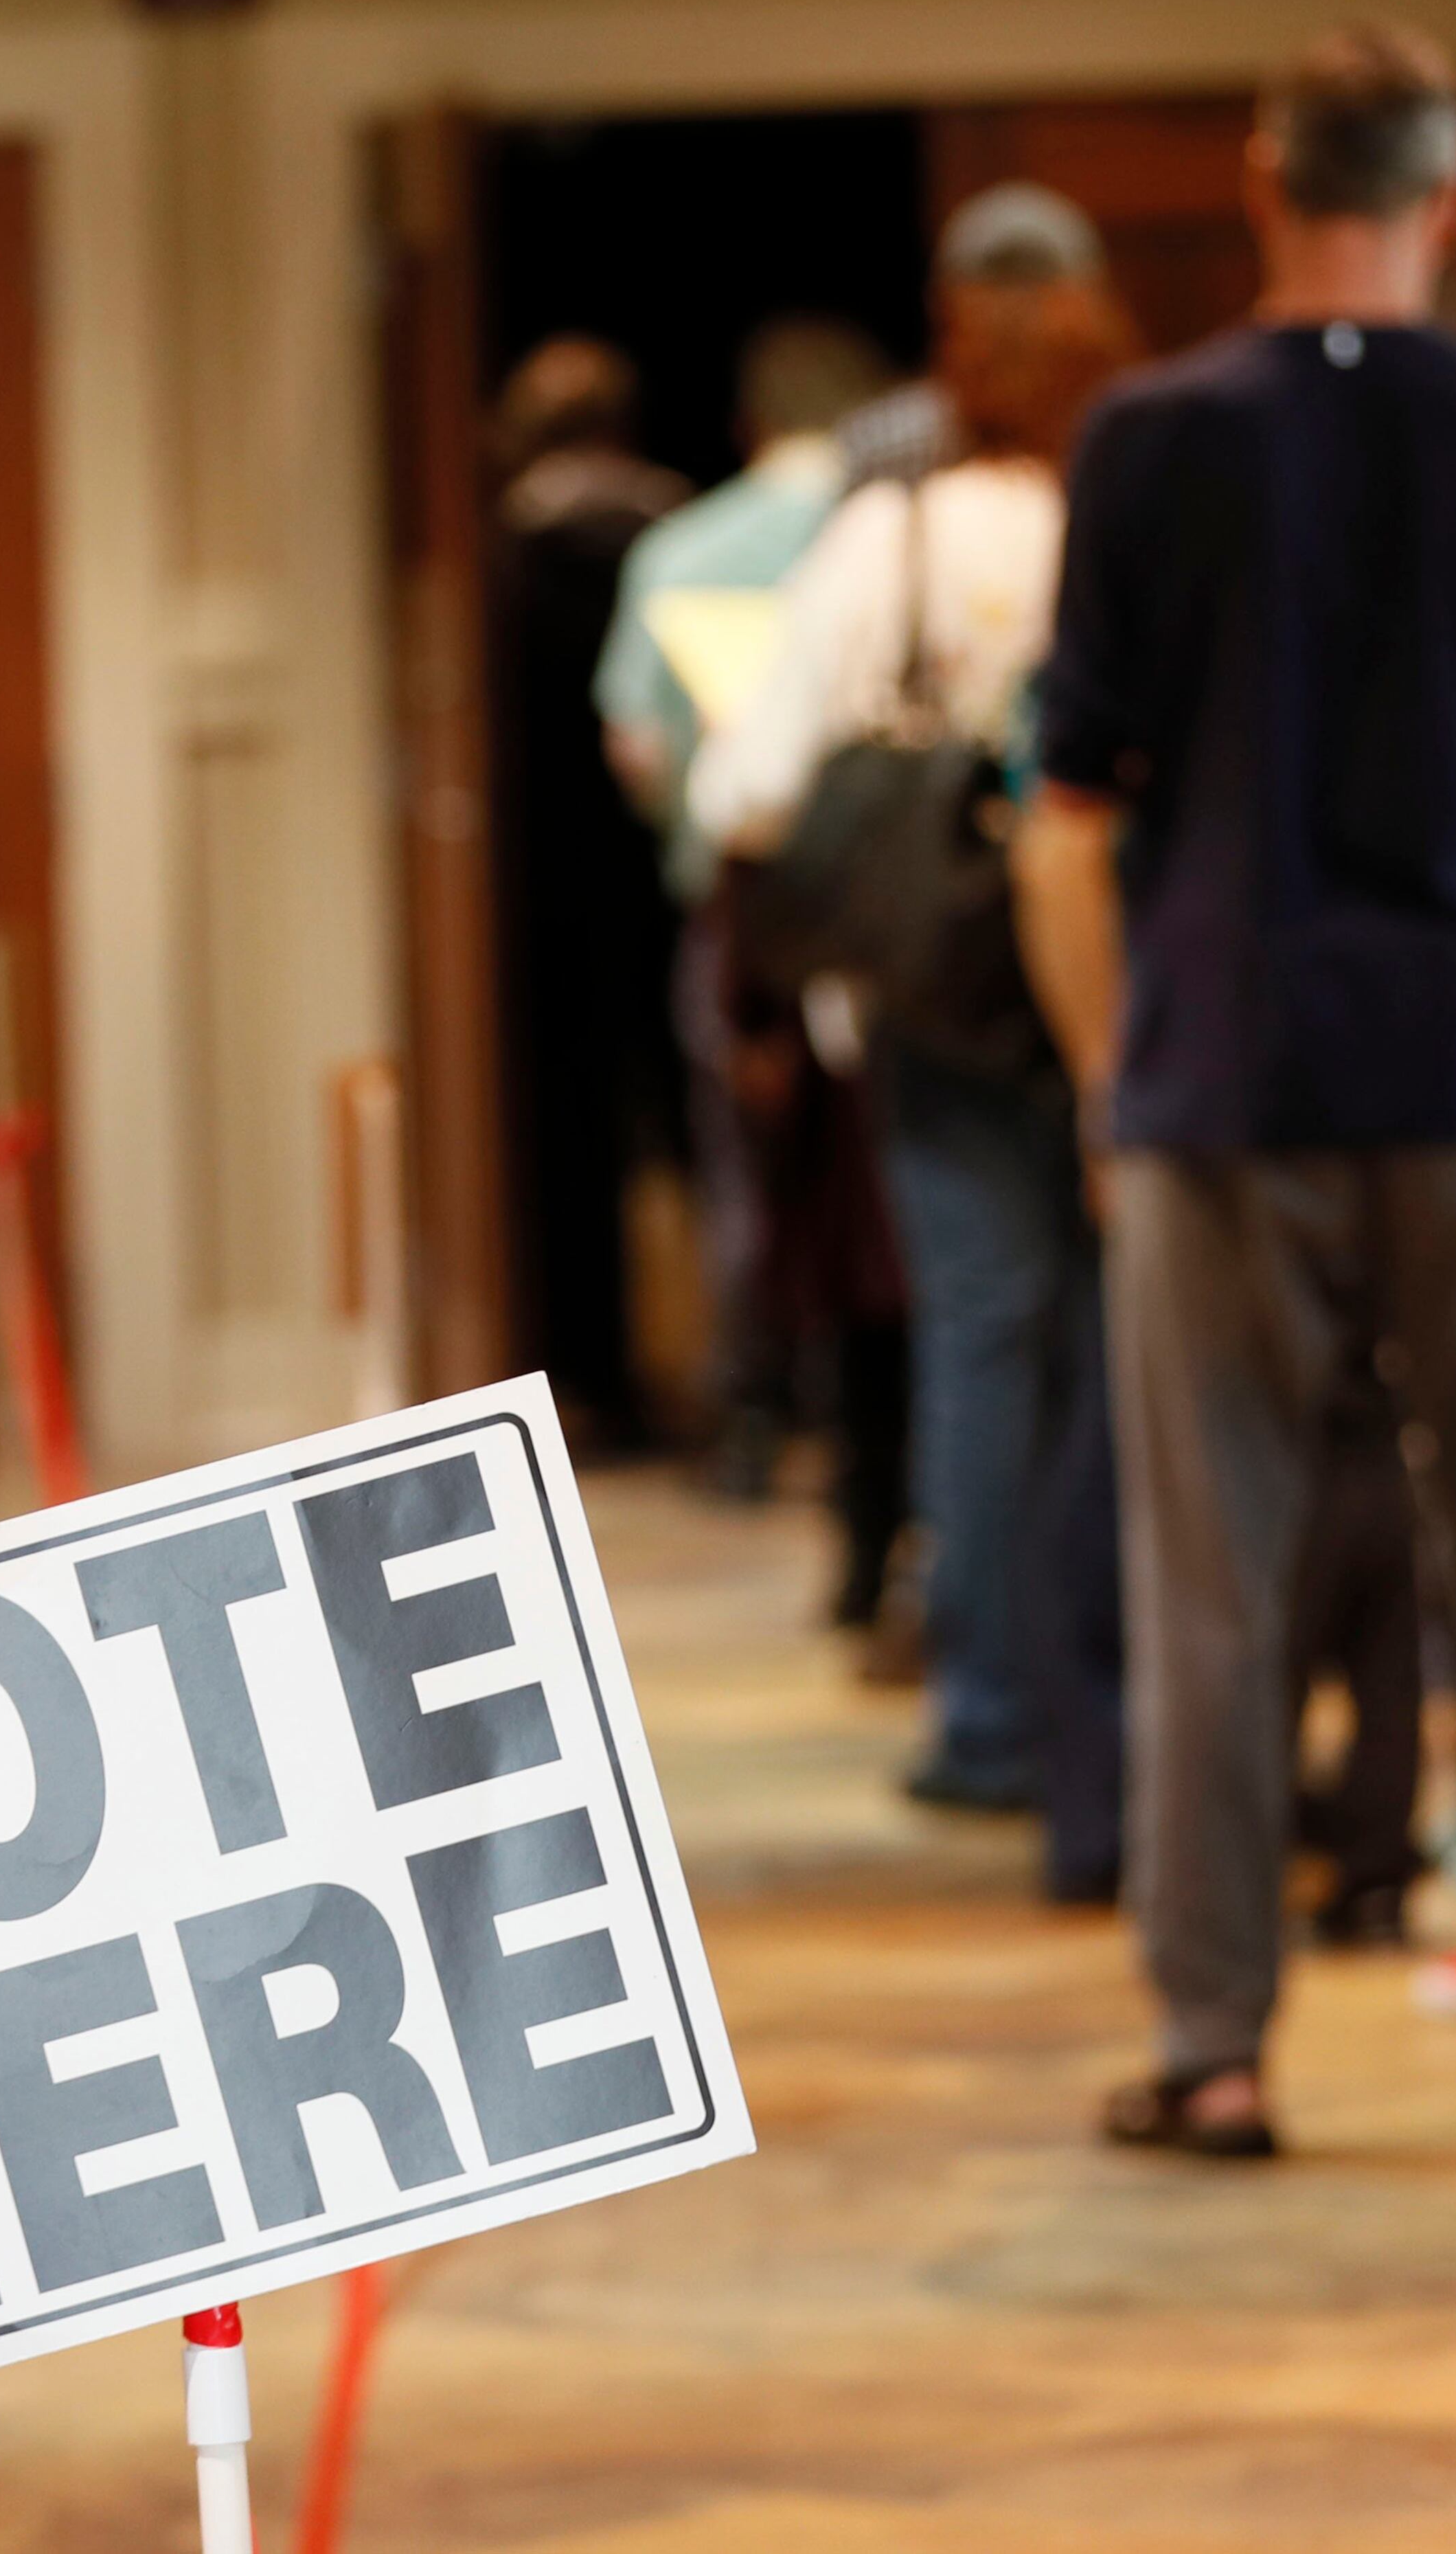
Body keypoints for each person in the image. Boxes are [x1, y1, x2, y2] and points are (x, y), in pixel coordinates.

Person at [1018, 23, 1456, 2153]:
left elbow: (1073, 799)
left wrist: (1114, 1077)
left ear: (1259, 181)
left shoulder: (1140, 442)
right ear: (1451, 198)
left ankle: (1212, 2052)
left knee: (1214, 1574)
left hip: (1226, 1059)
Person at [692, 183, 1133, 1818]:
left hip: (946, 1005)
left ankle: (993, 1714)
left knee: (979, 1338)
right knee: (1111, 1351)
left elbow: (749, 788)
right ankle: (1111, 1710)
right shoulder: (1136, 505)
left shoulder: (898, 531)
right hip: (1128, 996)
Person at [594, 320, 911, 1616]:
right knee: (898, 1204)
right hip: (897, 919)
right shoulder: (885, 536)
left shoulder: (682, 551)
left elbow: (640, 751)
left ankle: (756, 1410)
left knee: (753, 1181)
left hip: (741, 917)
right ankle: (878, 1465)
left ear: (746, 423)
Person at [486, 338, 691, 1451]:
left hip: (542, 885)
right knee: (695, 1127)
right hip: (671, 874)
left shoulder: (505, 552)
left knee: (565, 1137)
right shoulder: (684, 536)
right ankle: (742, 1382)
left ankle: (590, 1384)